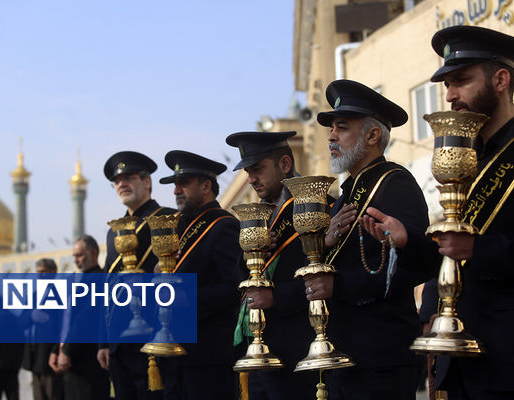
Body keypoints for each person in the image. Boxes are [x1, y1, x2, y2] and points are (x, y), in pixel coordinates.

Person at [367, 26, 514, 399]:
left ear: (501, 79)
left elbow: (475, 250)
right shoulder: (469, 160)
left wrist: (477, 250)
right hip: (459, 360)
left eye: (461, 80)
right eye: (446, 84)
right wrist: (409, 244)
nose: (450, 95)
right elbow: (449, 258)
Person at [303, 79, 429, 400]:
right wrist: (325, 244)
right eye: (332, 128)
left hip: (381, 354)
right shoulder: (345, 195)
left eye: (342, 128)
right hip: (345, 350)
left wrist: (340, 286)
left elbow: (414, 266)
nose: (331, 136)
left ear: (372, 136)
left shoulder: (395, 183)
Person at [225, 131, 316, 399]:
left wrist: (276, 297)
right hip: (258, 350)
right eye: (248, 171)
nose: (251, 178)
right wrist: (245, 262)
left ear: (285, 164)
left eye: (258, 169)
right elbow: (238, 284)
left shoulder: (318, 207)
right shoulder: (258, 217)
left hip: (299, 351)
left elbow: (326, 280)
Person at [158, 150, 243, 400]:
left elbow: (234, 288)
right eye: (175, 184)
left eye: (183, 183)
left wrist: (185, 298)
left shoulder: (223, 225)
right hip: (176, 353)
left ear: (206, 186)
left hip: (209, 354)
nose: (175, 191)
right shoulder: (179, 227)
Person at [98, 151, 175, 400]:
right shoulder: (114, 232)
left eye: (129, 177)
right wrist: (103, 341)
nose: (122, 184)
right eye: (117, 181)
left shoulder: (169, 219)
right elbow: (106, 288)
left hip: (155, 334)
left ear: (147, 182)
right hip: (119, 339)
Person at [55, 235, 109, 400]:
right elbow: (67, 320)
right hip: (76, 360)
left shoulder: (97, 279)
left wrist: (67, 351)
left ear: (93, 254)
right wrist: (55, 350)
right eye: (74, 256)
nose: (76, 260)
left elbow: (84, 319)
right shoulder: (83, 279)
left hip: (86, 361)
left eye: (80, 255)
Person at [22, 258, 63, 400]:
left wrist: (55, 351)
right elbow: (21, 321)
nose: (39, 276)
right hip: (34, 356)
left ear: (54, 272)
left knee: (53, 394)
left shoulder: (61, 295)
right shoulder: (34, 296)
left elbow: (63, 327)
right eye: (38, 272)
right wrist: (31, 317)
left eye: (43, 272)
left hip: (50, 356)